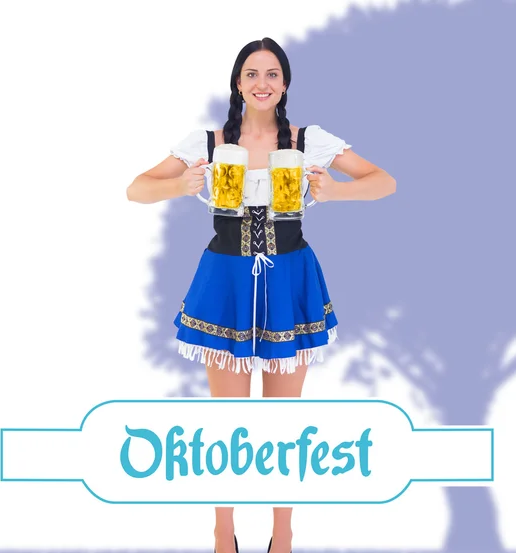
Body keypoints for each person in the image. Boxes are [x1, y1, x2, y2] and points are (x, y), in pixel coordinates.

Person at [127, 37, 396, 553]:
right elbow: (136, 188)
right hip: (225, 278)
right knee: (228, 421)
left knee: (281, 421)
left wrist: (335, 190)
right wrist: (178, 185)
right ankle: (223, 533)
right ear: (237, 83)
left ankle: (284, 533)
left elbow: (384, 181)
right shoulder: (206, 142)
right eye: (252, 74)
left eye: (272, 74)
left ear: (285, 84)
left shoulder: (306, 140)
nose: (262, 83)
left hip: (288, 279)